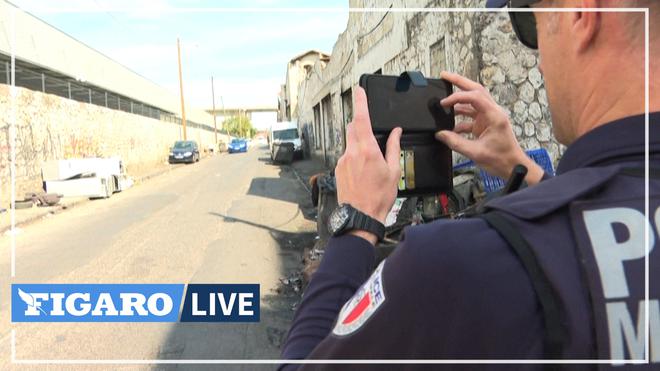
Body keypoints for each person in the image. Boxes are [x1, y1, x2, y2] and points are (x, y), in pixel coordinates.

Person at [281, 0, 659, 369]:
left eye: (530, 21)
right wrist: (526, 172)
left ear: (582, 12)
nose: (540, 59)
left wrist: (356, 224)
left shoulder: (454, 263)